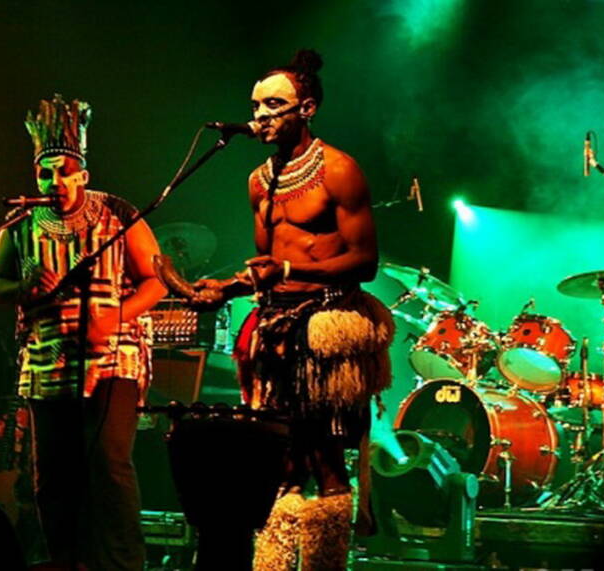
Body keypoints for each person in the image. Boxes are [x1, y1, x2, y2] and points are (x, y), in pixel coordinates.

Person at [177, 50, 394, 570]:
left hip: (324, 327)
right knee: (283, 463)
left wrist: (291, 271)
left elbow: (365, 261)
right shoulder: (258, 180)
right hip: (275, 328)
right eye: (256, 106)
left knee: (324, 458)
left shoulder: (339, 169)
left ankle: (324, 561)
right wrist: (227, 287)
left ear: (308, 108)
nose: (260, 116)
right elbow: (266, 266)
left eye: (275, 104)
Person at [0, 94, 166, 570]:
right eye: (47, 174)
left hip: (113, 356)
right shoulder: (21, 224)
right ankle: (67, 561)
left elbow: (157, 281)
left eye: (65, 172)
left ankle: (123, 564)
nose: (56, 182)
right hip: (48, 358)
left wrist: (115, 316)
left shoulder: (117, 212)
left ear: (83, 174)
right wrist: (23, 288)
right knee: (52, 474)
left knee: (108, 461)